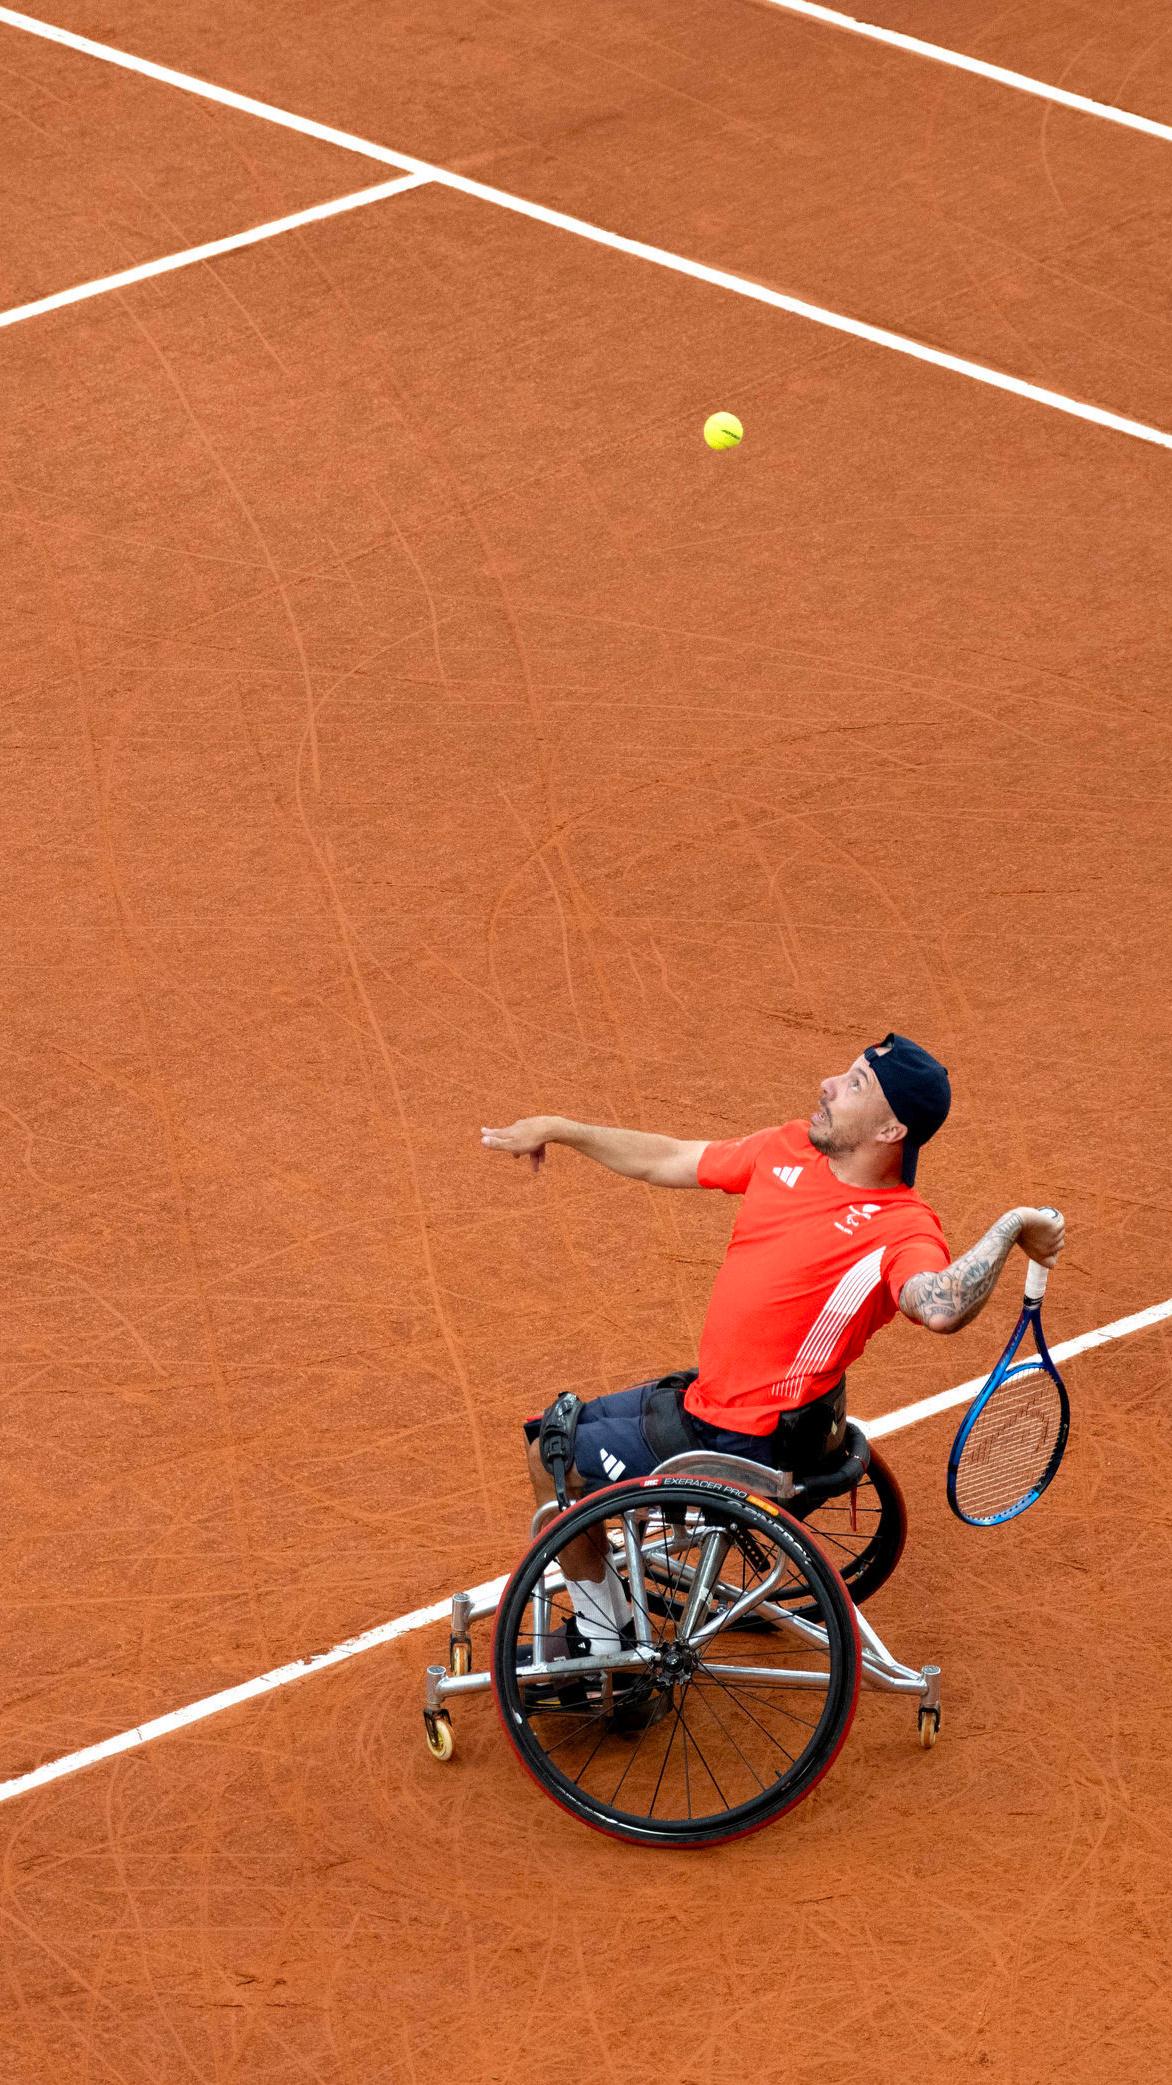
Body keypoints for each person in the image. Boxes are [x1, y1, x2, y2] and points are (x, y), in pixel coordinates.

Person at [481, 1033, 1065, 1655]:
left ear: (892, 1131)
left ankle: (607, 1644)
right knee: (546, 1429)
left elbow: (940, 1305)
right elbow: (670, 1158)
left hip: (742, 1437)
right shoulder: (789, 1149)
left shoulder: (903, 1229)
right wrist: (560, 1127)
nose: (829, 1084)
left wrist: (1007, 1229)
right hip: (711, 1402)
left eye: (857, 1083)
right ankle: (612, 1608)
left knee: (555, 1454)